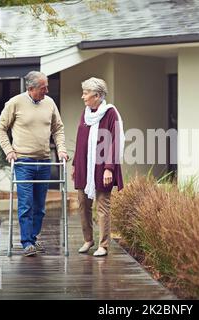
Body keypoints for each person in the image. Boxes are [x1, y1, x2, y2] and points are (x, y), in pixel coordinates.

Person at [0, 71, 68, 257]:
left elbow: (58, 128)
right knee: (26, 204)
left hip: (44, 161)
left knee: (40, 207)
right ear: (30, 88)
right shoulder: (15, 103)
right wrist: (9, 151)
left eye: (47, 87)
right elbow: (0, 128)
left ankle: (33, 239)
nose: (47, 90)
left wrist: (61, 149)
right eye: (43, 88)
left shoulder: (50, 103)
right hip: (23, 162)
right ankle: (27, 242)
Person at [72, 77, 125, 257]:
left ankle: (103, 245)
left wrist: (109, 168)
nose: (83, 97)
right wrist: (74, 164)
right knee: (82, 205)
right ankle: (88, 240)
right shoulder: (85, 113)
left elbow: (115, 141)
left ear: (97, 95)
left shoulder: (110, 113)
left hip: (102, 168)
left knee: (102, 206)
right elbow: (80, 141)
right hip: (84, 168)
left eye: (86, 93)